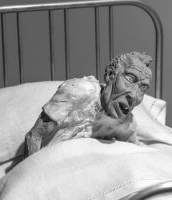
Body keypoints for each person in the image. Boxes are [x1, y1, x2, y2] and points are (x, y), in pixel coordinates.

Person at [24, 51, 152, 156]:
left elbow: (137, 154)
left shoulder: (126, 123)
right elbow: (34, 136)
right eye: (130, 79)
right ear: (110, 75)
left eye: (143, 88)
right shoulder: (81, 90)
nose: (134, 95)